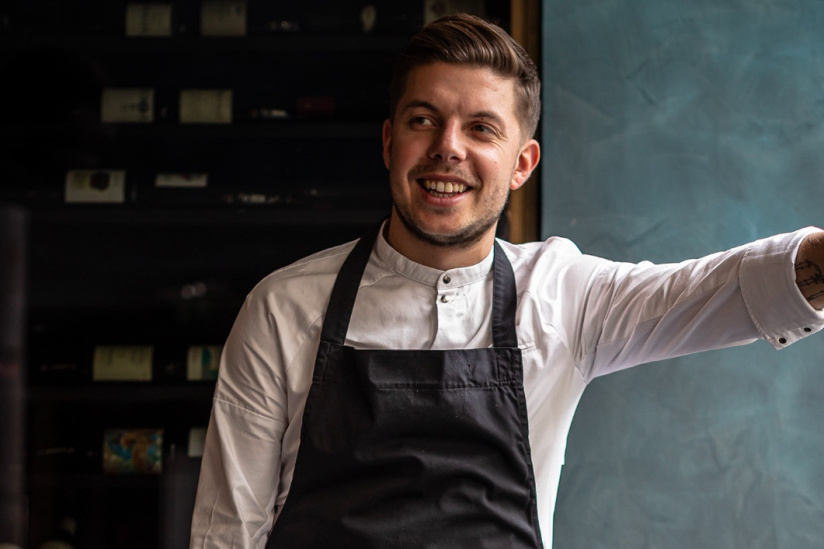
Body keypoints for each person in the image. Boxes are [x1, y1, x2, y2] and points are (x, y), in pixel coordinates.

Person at [189, 13, 824, 548]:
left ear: (522, 163)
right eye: (422, 120)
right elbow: (227, 530)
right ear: (389, 142)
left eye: (481, 128)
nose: (447, 147)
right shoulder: (282, 307)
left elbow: (720, 290)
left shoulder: (564, 296)